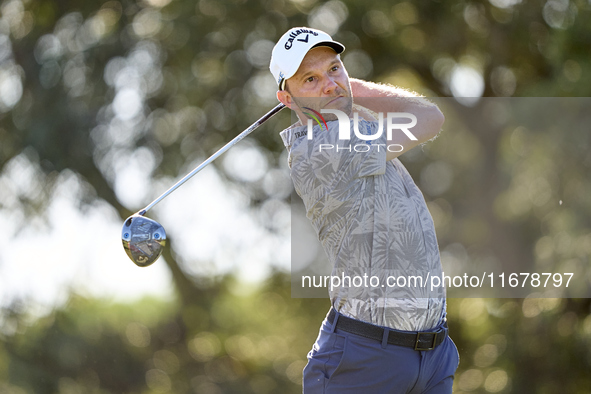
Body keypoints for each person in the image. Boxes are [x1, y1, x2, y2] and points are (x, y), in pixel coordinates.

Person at [269, 27, 459, 393]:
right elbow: (429, 117)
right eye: (310, 78)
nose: (329, 84)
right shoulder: (319, 149)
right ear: (286, 99)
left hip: (432, 355)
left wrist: (338, 88)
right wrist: (347, 88)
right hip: (364, 361)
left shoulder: (359, 126)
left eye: (334, 69)